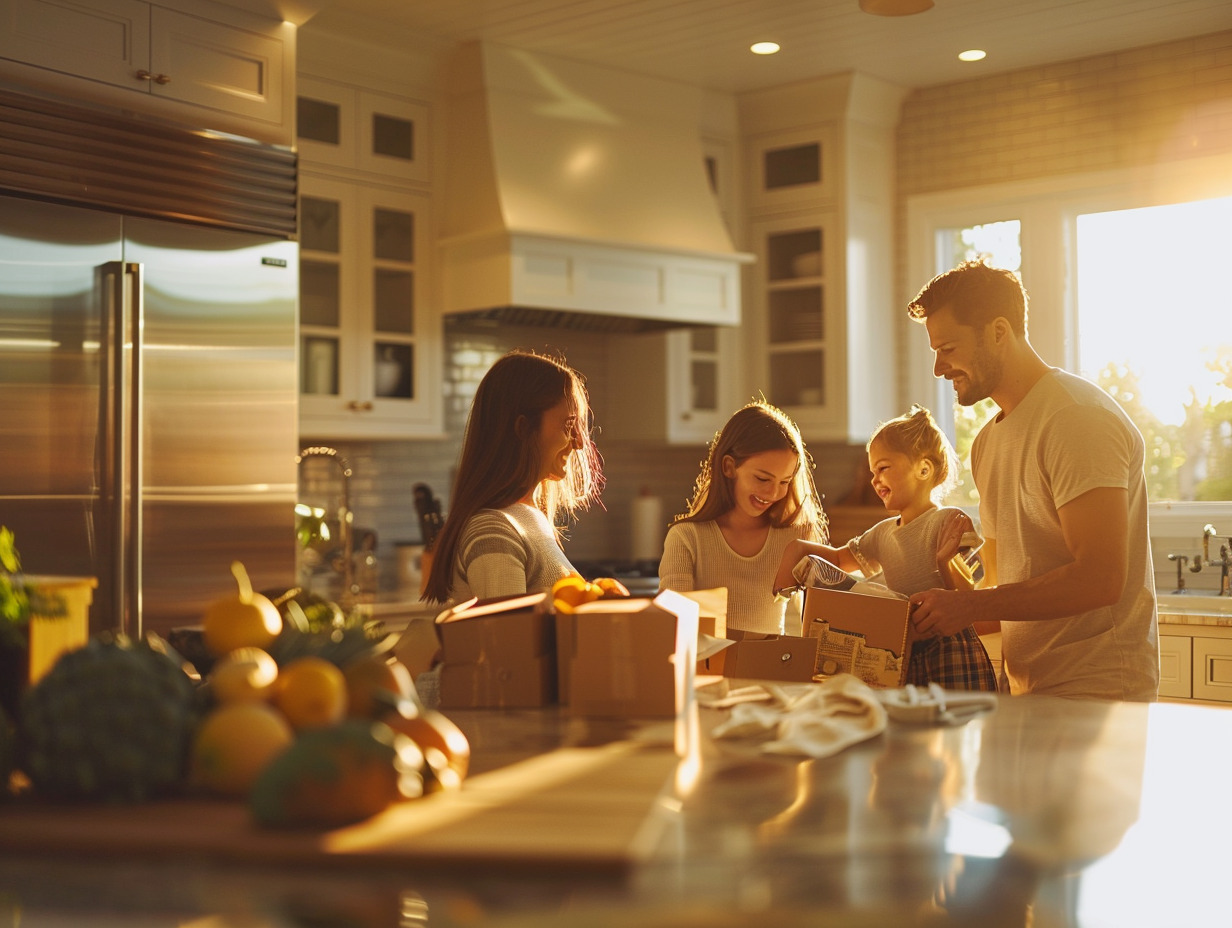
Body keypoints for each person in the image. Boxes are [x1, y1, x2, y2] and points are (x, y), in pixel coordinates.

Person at [904, 258, 1159, 701]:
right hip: (1024, 688)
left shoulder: (1075, 418)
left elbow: (1100, 577)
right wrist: (945, 586)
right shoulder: (988, 442)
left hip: (1097, 690)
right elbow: (1004, 598)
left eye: (947, 348)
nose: (938, 369)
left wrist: (969, 605)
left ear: (999, 331)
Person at [773, 406, 998, 691]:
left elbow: (968, 601)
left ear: (924, 469)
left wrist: (944, 563)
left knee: (955, 730)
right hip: (900, 651)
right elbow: (838, 562)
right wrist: (797, 549)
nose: (874, 479)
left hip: (950, 650)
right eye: (872, 471)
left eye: (883, 468)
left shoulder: (950, 521)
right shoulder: (882, 533)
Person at [421, 349, 605, 605]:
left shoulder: (528, 519)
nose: (578, 443)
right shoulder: (494, 531)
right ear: (523, 429)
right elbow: (509, 641)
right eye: (567, 425)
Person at [658, 401, 827, 634]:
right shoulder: (687, 538)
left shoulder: (795, 538)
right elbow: (675, 629)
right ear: (729, 467)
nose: (774, 492)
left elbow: (805, 627)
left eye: (785, 482)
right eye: (762, 479)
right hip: (708, 670)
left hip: (771, 669)